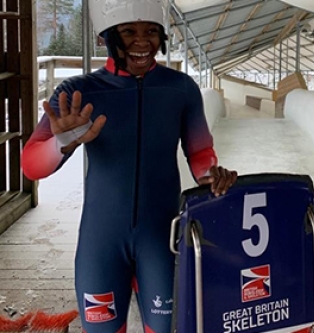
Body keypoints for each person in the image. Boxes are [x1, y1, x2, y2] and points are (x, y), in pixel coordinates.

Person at [21, 0, 237, 332]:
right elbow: (32, 166)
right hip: (101, 243)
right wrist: (63, 142)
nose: (142, 41)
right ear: (105, 36)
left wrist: (211, 176)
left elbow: (200, 153)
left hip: (163, 238)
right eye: (128, 31)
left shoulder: (180, 89)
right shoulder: (77, 93)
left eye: (151, 31)